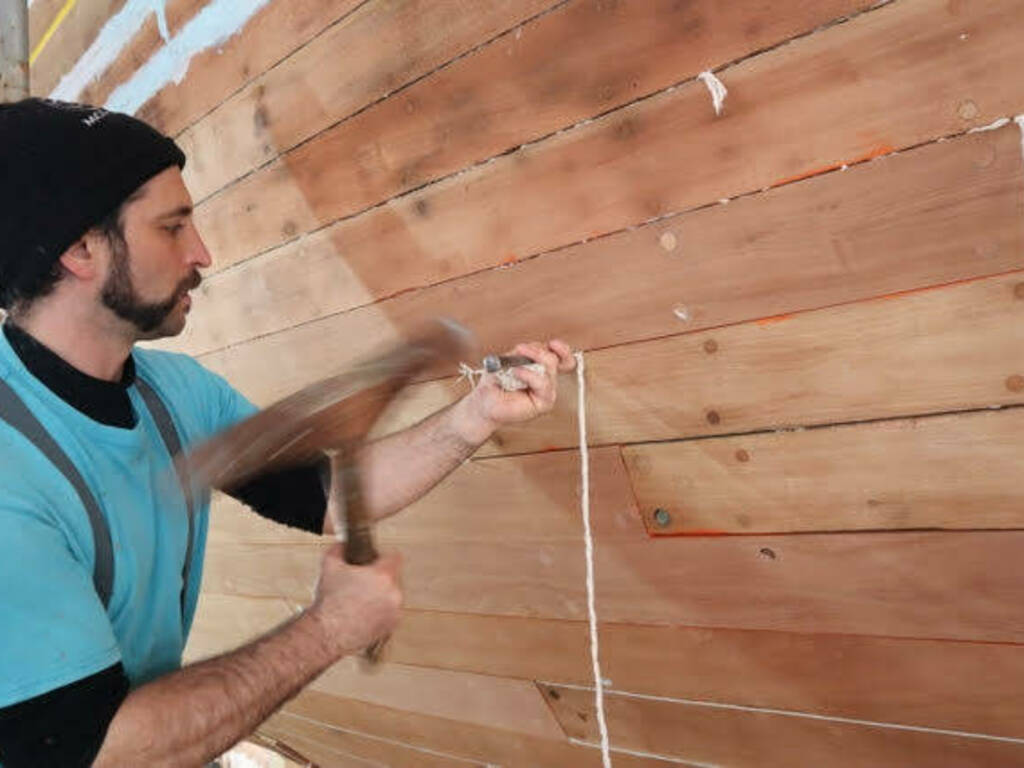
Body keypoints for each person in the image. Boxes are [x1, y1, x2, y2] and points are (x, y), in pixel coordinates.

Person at [0, 98, 575, 767]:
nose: (203, 252)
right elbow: (98, 751)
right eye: (172, 226)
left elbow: (325, 493)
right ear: (80, 249)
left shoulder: (175, 393)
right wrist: (328, 630)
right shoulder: (11, 471)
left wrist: (473, 418)